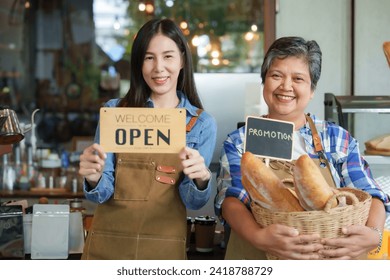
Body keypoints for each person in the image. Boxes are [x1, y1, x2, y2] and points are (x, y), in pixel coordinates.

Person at [215, 36, 390, 260]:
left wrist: (374, 235)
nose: (286, 86)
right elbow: (232, 199)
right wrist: (259, 237)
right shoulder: (240, 141)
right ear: (264, 82)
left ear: (312, 89)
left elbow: (371, 194)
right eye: (276, 75)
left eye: (298, 78)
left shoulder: (335, 138)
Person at [79, 18, 217, 260]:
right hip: (108, 247)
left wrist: (202, 180)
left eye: (168, 56)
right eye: (149, 57)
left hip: (163, 250)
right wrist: (94, 179)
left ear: (182, 60)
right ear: (139, 63)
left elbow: (192, 202)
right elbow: (101, 194)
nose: (158, 68)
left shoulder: (202, 124)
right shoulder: (115, 112)